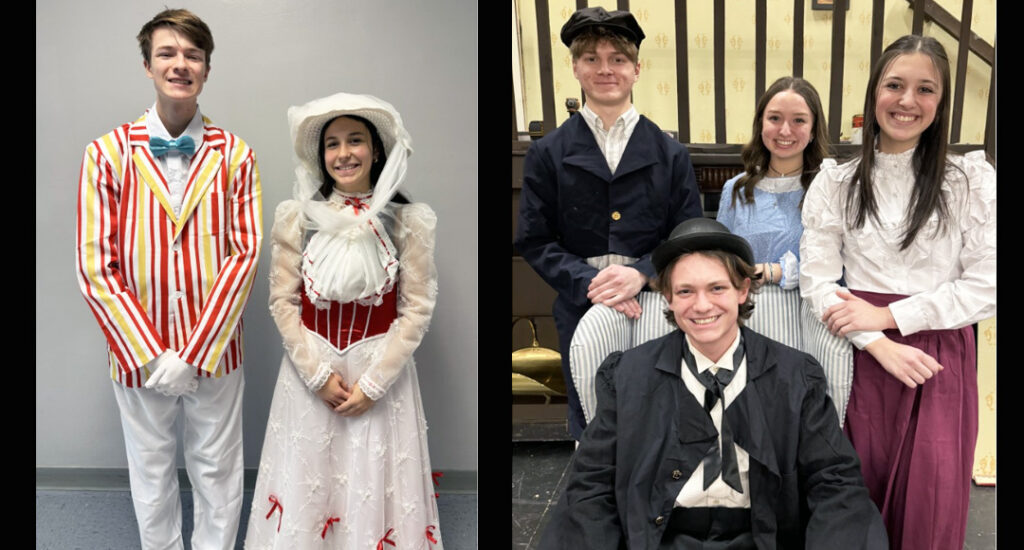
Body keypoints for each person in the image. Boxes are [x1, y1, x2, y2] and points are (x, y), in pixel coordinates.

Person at [538, 218, 887, 549]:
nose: (702, 306)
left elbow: (836, 484)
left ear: (742, 289)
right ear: (668, 298)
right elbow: (590, 487)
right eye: (685, 291)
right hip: (661, 536)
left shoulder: (795, 376)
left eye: (717, 288)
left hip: (762, 536)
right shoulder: (627, 376)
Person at [75, 9, 261, 549]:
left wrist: (196, 351)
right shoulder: (106, 154)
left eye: (193, 55)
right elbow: (95, 265)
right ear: (147, 64)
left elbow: (244, 255)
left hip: (217, 350)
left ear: (206, 67)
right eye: (167, 53)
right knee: (151, 472)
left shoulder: (237, 156)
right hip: (138, 353)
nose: (181, 64)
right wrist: (155, 355)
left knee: (219, 468)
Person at [799, 35, 995, 550]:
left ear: (940, 103)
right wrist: (876, 341)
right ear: (874, 94)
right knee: (855, 497)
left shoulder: (969, 181)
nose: (907, 101)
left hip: (939, 354)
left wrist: (889, 320)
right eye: (895, 85)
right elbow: (816, 282)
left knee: (931, 503)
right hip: (857, 355)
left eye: (925, 89)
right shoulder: (837, 183)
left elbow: (987, 284)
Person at [244, 93, 442, 548]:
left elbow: (416, 308)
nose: (344, 153)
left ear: (375, 150)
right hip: (312, 370)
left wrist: (375, 383)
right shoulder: (296, 218)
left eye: (355, 140)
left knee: (370, 481)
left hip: (379, 374)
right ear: (321, 156)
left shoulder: (408, 221)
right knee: (312, 480)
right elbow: (282, 302)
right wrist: (314, 374)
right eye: (332, 144)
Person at [514, 6, 703, 440]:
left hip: (655, 301)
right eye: (592, 59)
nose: (605, 69)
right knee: (593, 411)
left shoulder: (670, 153)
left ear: (636, 69)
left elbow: (688, 232)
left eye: (617, 59)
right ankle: (596, 500)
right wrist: (589, 282)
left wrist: (641, 273)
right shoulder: (548, 153)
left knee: (660, 406)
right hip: (582, 301)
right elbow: (535, 239)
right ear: (575, 68)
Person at [716, 77, 854, 424]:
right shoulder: (735, 190)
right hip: (746, 313)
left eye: (799, 120)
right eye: (775, 118)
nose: (785, 130)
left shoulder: (832, 186)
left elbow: (845, 263)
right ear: (761, 122)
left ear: (813, 127)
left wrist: (775, 271)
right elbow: (718, 256)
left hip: (808, 311)